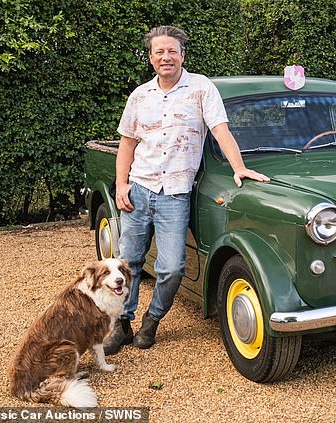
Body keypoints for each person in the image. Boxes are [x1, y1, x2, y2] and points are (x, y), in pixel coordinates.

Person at [103, 26, 269, 356]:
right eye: (159, 52)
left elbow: (220, 131)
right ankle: (122, 325)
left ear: (182, 55)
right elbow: (126, 144)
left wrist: (239, 167)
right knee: (127, 263)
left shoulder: (201, 88)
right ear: (150, 57)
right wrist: (121, 185)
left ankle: (152, 320)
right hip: (138, 188)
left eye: (172, 51)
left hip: (175, 193)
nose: (166, 57)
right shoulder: (139, 96)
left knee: (172, 267)